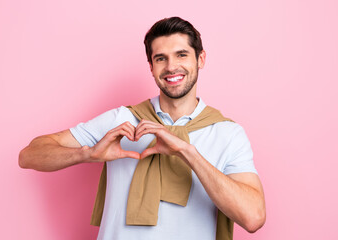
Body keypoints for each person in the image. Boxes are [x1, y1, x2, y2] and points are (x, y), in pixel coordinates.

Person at [19, 17, 266, 240]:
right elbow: (28, 155)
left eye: (181, 55)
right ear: (151, 66)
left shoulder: (228, 134)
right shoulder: (122, 120)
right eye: (161, 58)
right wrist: (88, 153)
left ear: (200, 59)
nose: (171, 67)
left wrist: (187, 152)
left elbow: (253, 218)